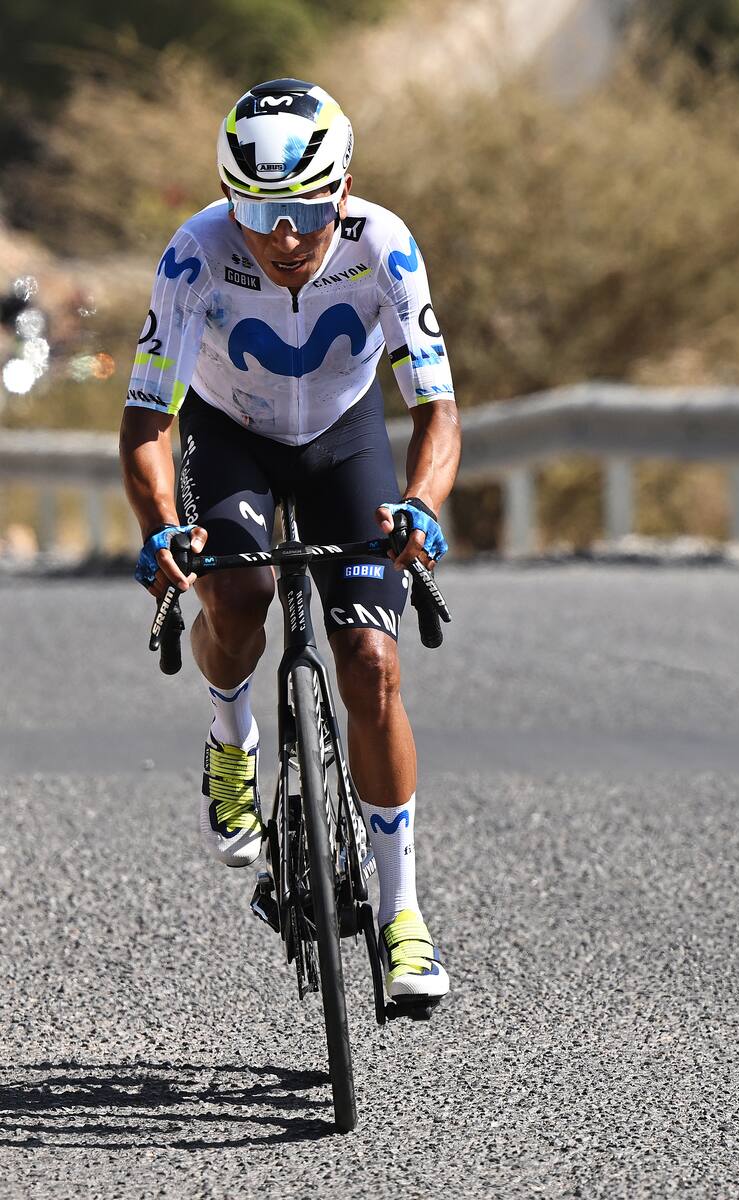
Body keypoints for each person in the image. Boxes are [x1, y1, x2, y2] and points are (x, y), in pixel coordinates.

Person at [118, 78, 459, 1006]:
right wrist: (160, 532)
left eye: (307, 208)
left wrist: (422, 506)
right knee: (239, 598)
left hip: (345, 438)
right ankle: (232, 735)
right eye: (260, 209)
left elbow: (436, 410)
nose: (285, 234)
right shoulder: (196, 254)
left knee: (372, 666)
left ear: (342, 190)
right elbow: (149, 415)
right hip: (231, 437)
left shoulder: (383, 246)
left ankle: (402, 915)